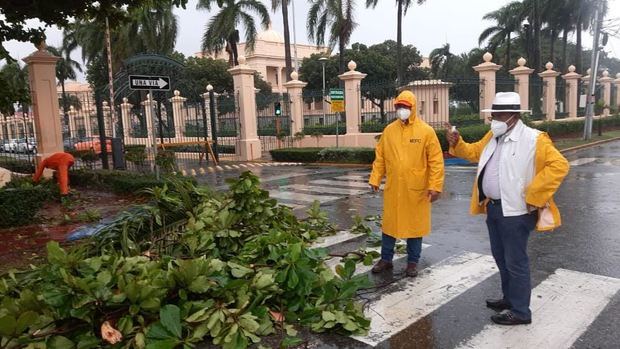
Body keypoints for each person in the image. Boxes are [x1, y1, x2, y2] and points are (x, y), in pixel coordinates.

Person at [446, 92, 569, 325]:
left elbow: (559, 166)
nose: (493, 119)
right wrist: (457, 143)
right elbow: (473, 153)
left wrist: (534, 195)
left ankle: (521, 312)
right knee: (501, 258)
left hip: (517, 212)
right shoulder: (494, 136)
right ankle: (510, 299)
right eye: (492, 115)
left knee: (515, 261)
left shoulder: (535, 139)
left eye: (498, 115)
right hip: (493, 208)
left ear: (513, 116)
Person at [369, 90, 445, 277]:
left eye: (405, 106)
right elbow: (381, 157)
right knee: (389, 225)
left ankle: (412, 262)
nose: (402, 109)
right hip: (394, 188)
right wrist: (375, 178)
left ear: (413, 108)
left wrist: (435, 186)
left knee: (414, 227)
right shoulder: (389, 130)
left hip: (416, 189)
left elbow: (436, 160)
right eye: (399, 106)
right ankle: (386, 259)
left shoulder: (426, 131)